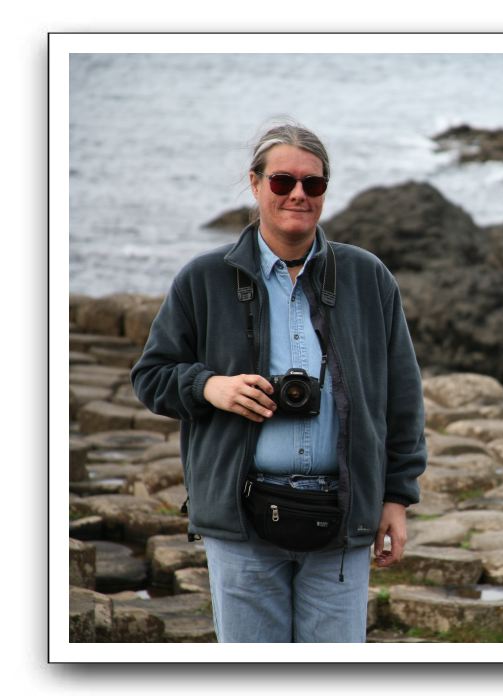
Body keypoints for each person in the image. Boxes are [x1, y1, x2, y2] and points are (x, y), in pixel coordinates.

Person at [130, 122, 427, 643]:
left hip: (342, 518)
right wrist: (209, 387)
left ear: (324, 192)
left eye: (312, 184)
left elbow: (402, 396)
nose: (297, 194)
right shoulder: (205, 279)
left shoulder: (366, 277)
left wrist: (396, 499)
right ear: (255, 183)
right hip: (241, 521)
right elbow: (151, 377)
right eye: (282, 181)